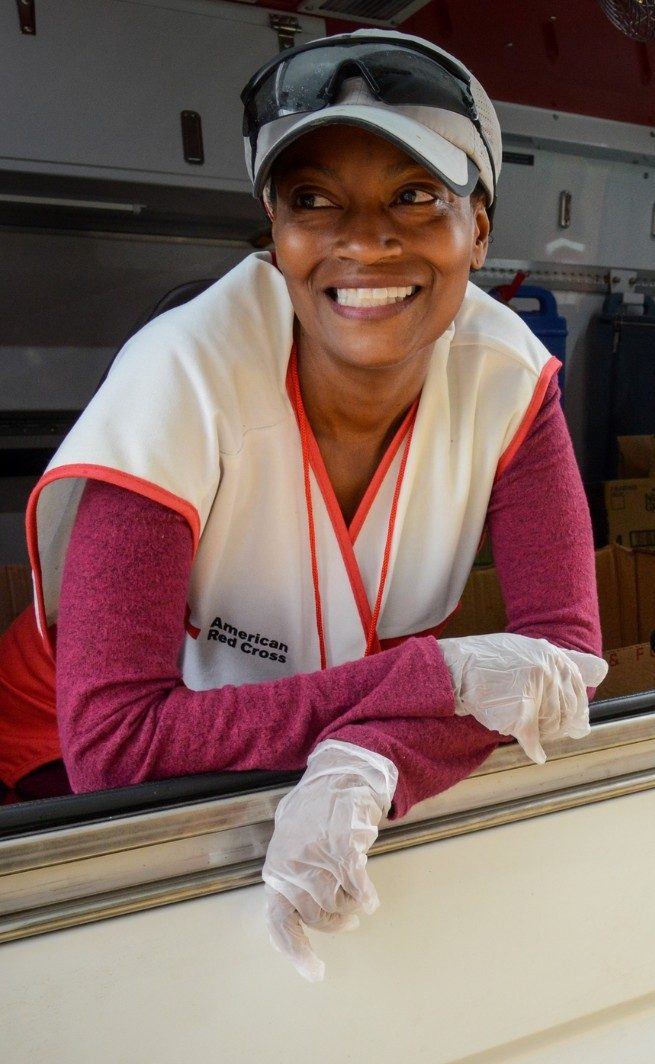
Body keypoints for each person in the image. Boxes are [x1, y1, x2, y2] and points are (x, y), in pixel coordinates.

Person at [0, 30, 606, 977]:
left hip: (266, 754)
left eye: (416, 194)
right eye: (312, 200)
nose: (365, 240)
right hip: (48, 782)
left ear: (478, 228)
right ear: (274, 235)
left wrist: (377, 763)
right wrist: (431, 687)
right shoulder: (183, 376)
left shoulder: (510, 384)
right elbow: (115, 748)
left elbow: (564, 664)